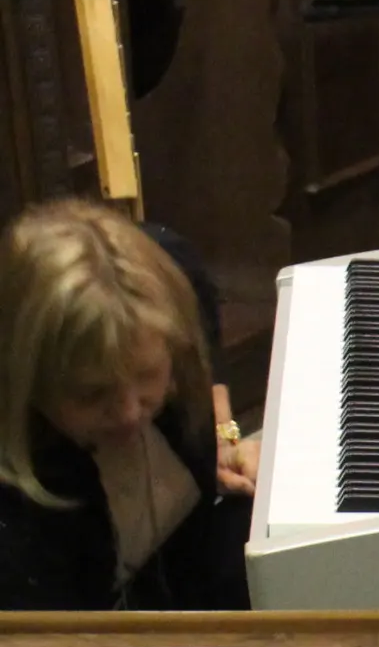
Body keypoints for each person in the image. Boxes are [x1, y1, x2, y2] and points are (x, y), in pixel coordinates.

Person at [0, 199, 255, 610]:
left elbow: (202, 323)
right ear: (29, 382)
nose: (129, 413)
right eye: (92, 394)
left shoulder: (173, 269)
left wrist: (224, 430)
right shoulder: (17, 530)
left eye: (147, 375)